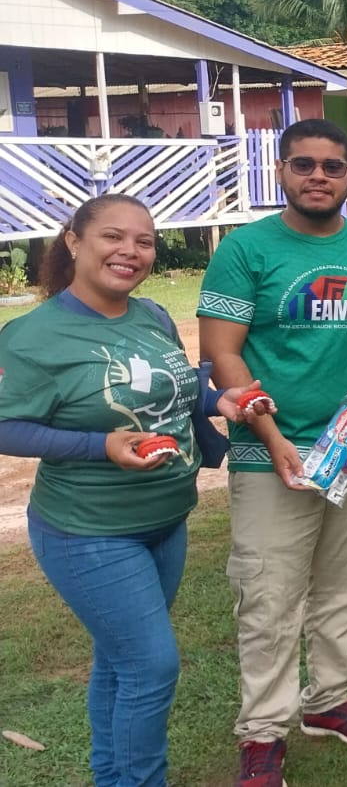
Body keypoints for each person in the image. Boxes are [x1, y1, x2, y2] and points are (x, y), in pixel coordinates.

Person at [0, 196, 258, 787]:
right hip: (88, 531)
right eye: (113, 237)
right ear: (73, 241)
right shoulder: (33, 336)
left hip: (165, 519)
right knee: (150, 665)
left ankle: (113, 777)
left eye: (143, 241)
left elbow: (179, 393)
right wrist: (100, 446)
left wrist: (220, 401)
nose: (130, 252)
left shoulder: (152, 317)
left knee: (121, 663)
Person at [198, 118, 347, 787]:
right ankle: (262, 732)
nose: (318, 175)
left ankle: (330, 701)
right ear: (283, 173)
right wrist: (271, 435)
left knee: (344, 584)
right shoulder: (246, 249)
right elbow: (221, 352)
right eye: (303, 165)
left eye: (331, 165)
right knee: (268, 593)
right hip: (272, 456)